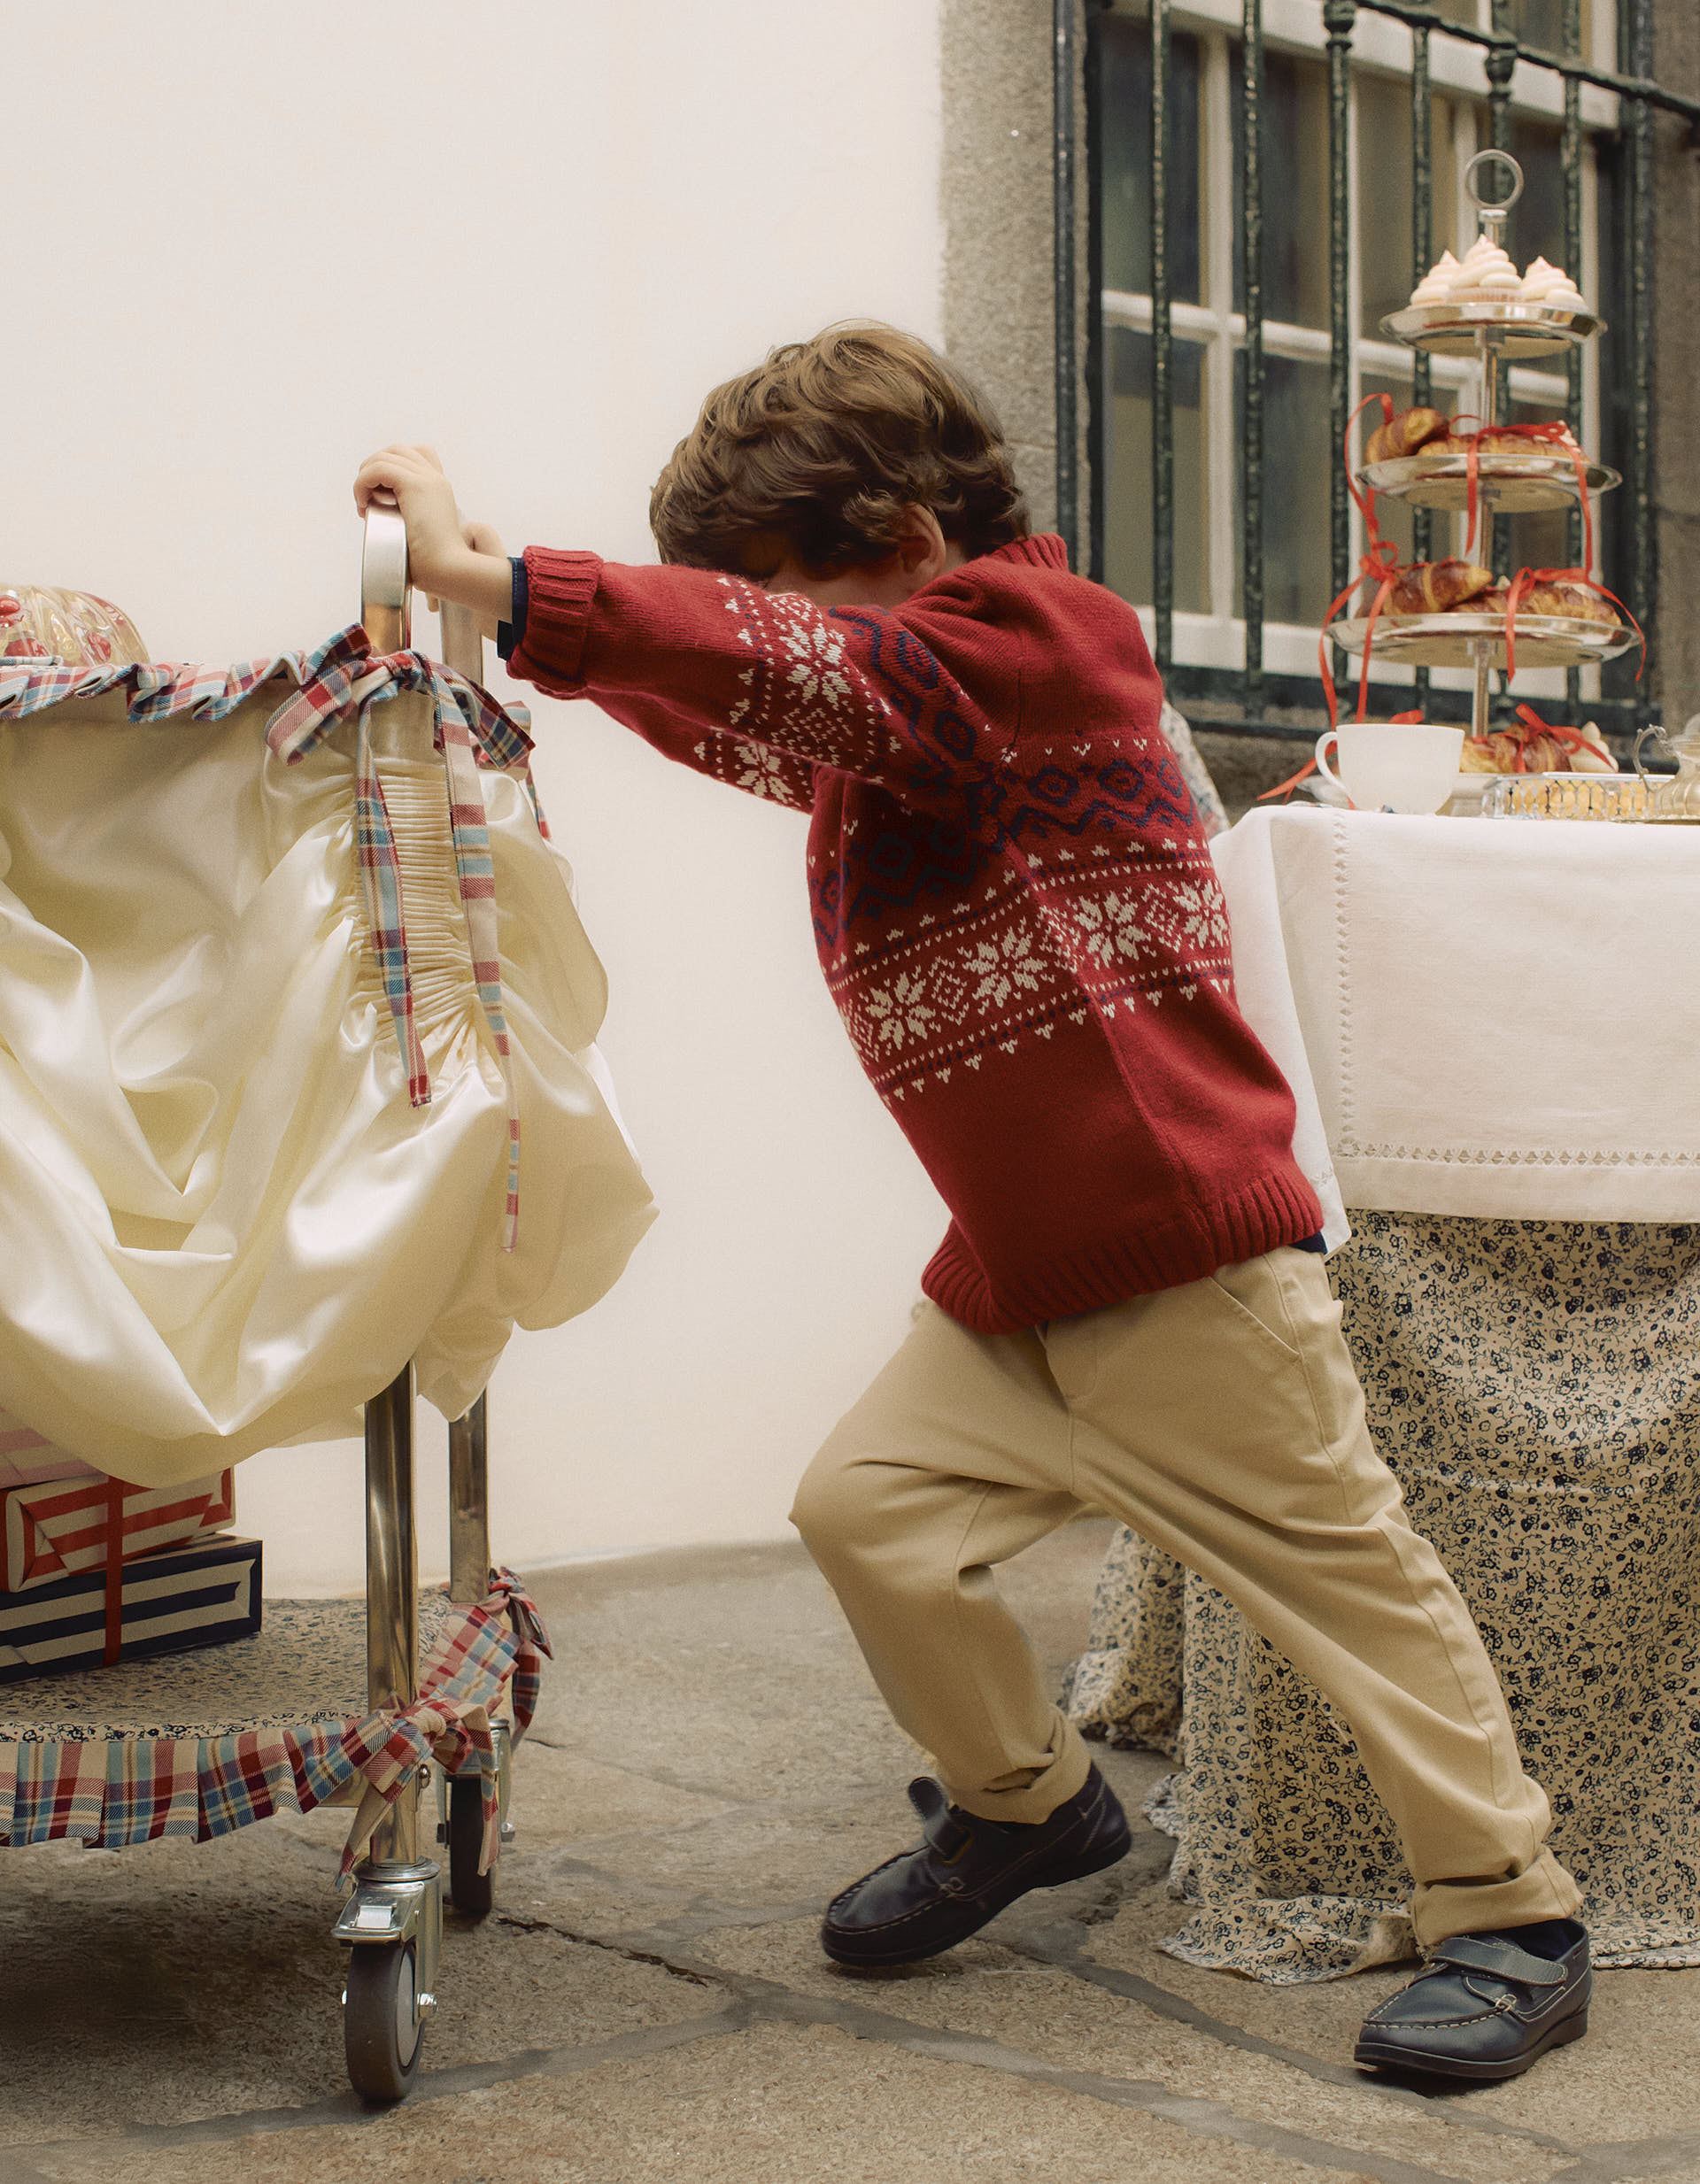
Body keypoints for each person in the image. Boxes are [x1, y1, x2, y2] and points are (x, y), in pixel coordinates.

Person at [354, 322, 1589, 2081]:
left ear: (917, 533)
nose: (790, 624)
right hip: (1017, 1267)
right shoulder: (902, 707)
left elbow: (802, 667)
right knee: (866, 1510)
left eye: (798, 584)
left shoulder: (1034, 641)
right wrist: (517, 627)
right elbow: (763, 700)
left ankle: (1514, 1910)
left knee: (1349, 1591)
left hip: (1181, 1260)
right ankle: (1029, 1804)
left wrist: (517, 580)